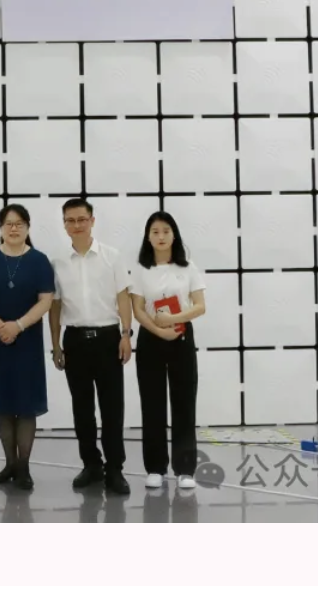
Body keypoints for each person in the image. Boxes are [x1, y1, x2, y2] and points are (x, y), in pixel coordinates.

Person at [47, 198, 133, 495]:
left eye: (82, 219)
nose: (77, 225)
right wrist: (55, 344)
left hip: (108, 339)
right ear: (64, 225)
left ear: (92, 221)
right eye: (70, 220)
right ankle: (91, 465)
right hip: (74, 340)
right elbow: (55, 306)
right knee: (82, 409)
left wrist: (126, 334)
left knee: (112, 409)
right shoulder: (57, 262)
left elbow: (123, 297)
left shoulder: (112, 256)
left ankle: (115, 469)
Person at [0, 204, 55, 491]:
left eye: (19, 223)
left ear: (28, 227)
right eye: (8, 223)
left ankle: (24, 468)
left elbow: (46, 300)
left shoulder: (39, 260)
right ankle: (9, 463)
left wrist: (17, 326)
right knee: (4, 403)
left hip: (27, 341)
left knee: (26, 405)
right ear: (1, 228)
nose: (14, 228)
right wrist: (0, 326)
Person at [129, 210, 206, 491]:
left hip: (182, 337)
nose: (160, 236)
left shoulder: (188, 267)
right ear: (148, 237)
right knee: (152, 403)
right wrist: (159, 329)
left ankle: (185, 469)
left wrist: (173, 319)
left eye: (165, 231)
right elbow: (138, 309)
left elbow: (200, 306)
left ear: (174, 235)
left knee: (184, 403)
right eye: (155, 232)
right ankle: (155, 468)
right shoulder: (141, 269)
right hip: (150, 338)